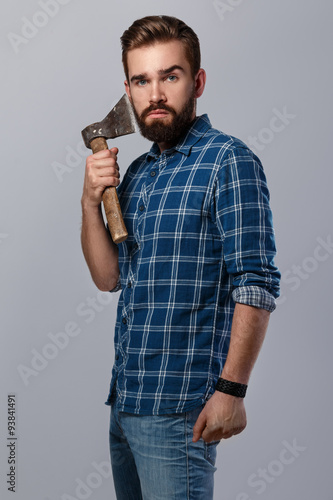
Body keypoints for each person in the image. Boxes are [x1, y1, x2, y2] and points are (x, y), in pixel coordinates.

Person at [80, 15, 280, 500]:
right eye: (142, 80)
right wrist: (90, 201)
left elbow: (256, 283)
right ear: (127, 88)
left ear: (197, 82)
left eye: (170, 76)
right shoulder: (139, 175)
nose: (156, 95)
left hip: (179, 414)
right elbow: (109, 278)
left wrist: (232, 392)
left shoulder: (228, 161)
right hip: (124, 405)